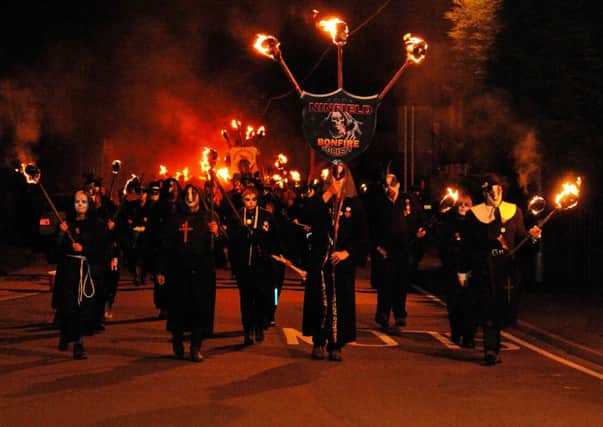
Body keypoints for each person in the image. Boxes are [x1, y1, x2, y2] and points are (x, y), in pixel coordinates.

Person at [463, 173, 541, 365]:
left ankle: (494, 344)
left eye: (498, 190)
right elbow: (467, 246)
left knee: (503, 311)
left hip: (507, 270)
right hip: (484, 268)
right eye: (491, 191)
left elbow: (522, 241)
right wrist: (463, 270)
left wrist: (533, 237)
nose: (495, 194)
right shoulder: (475, 214)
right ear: (484, 192)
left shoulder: (514, 212)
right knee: (488, 309)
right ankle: (491, 349)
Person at [303, 163, 367, 361]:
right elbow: (305, 215)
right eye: (334, 175)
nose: (338, 179)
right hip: (321, 261)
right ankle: (319, 342)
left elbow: (362, 236)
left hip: (342, 263)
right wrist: (328, 193)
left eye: (341, 175)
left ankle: (337, 344)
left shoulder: (355, 204)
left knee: (341, 303)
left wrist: (347, 252)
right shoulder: (322, 200)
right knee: (319, 301)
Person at [155, 184, 220, 362]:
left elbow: (221, 250)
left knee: (199, 308)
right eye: (187, 194)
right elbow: (165, 246)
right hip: (179, 270)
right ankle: (177, 340)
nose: (190, 197)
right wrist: (161, 269)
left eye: (194, 193)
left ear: (200, 196)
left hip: (202, 271)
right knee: (178, 308)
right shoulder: (175, 219)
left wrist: (217, 233)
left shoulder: (209, 217)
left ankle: (195, 347)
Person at [52, 190, 110, 359]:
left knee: (82, 307)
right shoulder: (66, 224)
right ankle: (67, 334)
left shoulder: (96, 225)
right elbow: (54, 251)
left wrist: (85, 249)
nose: (80, 205)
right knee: (68, 306)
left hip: (85, 270)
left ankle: (78, 342)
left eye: (84, 201)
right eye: (77, 201)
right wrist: (61, 233)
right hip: (68, 270)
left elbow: (102, 248)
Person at [229, 185, 279, 345]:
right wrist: (243, 234)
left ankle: (259, 325)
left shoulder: (266, 216)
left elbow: (272, 238)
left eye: (253, 199)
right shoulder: (237, 215)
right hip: (244, 266)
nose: (250, 203)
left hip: (262, 265)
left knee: (261, 297)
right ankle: (248, 329)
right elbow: (233, 240)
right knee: (246, 298)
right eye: (247, 199)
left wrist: (256, 235)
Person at [372, 172, 411, 331]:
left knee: (401, 284)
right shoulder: (379, 204)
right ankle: (383, 314)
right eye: (387, 185)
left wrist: (419, 233)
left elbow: (418, 220)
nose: (390, 188)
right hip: (385, 251)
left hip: (403, 250)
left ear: (399, 184)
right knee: (385, 284)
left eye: (393, 184)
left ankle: (400, 314)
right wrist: (377, 247)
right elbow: (372, 227)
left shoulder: (406, 202)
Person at [438, 191, 476, 347]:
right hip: (452, 269)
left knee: (469, 304)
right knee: (454, 304)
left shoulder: (474, 224)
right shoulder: (449, 223)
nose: (463, 207)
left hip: (469, 270)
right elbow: (442, 246)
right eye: (460, 204)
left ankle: (468, 337)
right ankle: (456, 331)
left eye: (466, 205)